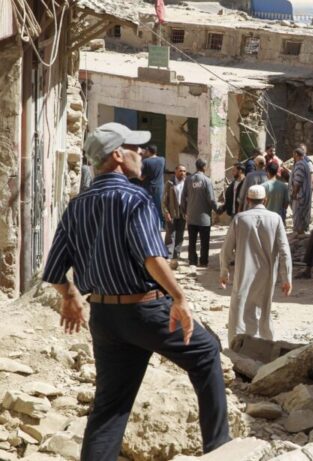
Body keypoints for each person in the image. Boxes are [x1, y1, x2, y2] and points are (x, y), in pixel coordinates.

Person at [41, 123, 229, 460]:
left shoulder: (76, 206)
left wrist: (70, 296)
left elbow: (54, 271)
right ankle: (220, 449)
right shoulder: (135, 198)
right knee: (206, 352)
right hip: (145, 311)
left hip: (104, 318)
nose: (141, 153)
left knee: (110, 407)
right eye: (135, 147)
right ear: (117, 155)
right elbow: (152, 258)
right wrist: (180, 298)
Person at [219, 184, 292, 346]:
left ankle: (237, 347)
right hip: (267, 275)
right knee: (264, 311)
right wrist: (286, 278)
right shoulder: (276, 219)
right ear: (265, 200)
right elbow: (284, 251)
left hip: (244, 273)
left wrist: (224, 272)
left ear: (247, 199)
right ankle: (265, 346)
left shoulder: (240, 219)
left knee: (240, 311)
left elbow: (226, 249)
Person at [181, 158, 217, 267]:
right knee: (204, 241)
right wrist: (217, 209)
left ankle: (192, 260)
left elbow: (183, 197)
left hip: (191, 216)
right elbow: (211, 199)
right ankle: (203, 261)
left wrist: (184, 211)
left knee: (192, 241)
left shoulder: (188, 179)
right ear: (204, 167)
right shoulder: (207, 180)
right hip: (204, 218)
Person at [163, 164, 187, 268]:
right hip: (172, 213)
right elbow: (164, 200)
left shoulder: (186, 183)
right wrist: (166, 213)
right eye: (180, 171)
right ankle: (168, 255)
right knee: (170, 234)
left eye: (184, 171)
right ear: (175, 171)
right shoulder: (169, 183)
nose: (183, 173)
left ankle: (176, 255)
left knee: (180, 235)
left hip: (183, 213)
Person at [140, 144, 166, 228]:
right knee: (159, 205)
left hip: (148, 187)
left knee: (148, 206)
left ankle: (149, 224)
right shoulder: (162, 159)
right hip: (159, 187)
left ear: (148, 151)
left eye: (146, 150)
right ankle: (160, 225)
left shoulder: (145, 162)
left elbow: (142, 177)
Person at [290, 147, 312, 235]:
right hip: (304, 195)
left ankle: (299, 234)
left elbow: (298, 182)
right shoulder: (305, 163)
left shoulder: (299, 164)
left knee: (298, 217)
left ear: (296, 154)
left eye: (293, 155)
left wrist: (294, 193)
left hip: (300, 196)